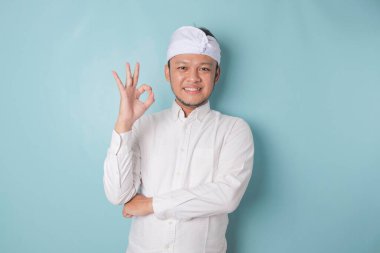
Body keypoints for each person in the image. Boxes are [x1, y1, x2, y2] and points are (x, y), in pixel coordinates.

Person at [103, 25, 254, 253]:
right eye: (182, 67)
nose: (193, 78)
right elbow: (118, 195)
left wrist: (152, 204)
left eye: (204, 68)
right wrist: (124, 125)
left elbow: (226, 196)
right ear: (168, 72)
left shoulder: (234, 130)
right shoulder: (144, 125)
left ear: (217, 74)